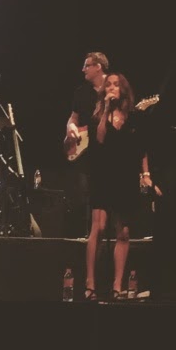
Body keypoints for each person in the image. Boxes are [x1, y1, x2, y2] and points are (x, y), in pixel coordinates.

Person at [84, 72, 159, 301]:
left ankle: (118, 285)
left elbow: (142, 148)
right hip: (102, 175)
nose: (112, 88)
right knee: (98, 228)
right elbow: (100, 139)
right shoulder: (97, 115)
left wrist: (146, 175)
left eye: (116, 85)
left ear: (123, 89)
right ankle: (90, 283)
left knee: (123, 231)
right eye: (108, 85)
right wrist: (107, 109)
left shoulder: (134, 117)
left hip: (125, 177)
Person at [64, 52, 109, 238]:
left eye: (87, 65)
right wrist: (70, 127)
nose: (83, 69)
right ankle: (88, 234)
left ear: (98, 67)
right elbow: (73, 118)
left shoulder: (113, 87)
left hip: (108, 149)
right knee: (84, 193)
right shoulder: (81, 92)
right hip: (86, 150)